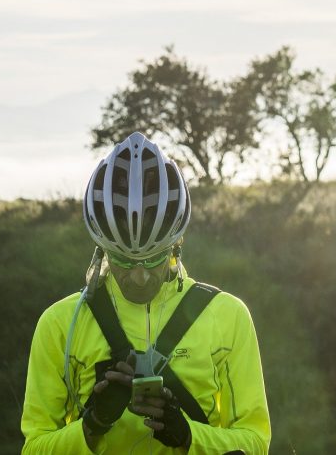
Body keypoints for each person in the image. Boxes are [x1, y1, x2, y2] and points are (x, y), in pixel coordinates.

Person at [21, 132, 271, 454]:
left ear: (176, 245)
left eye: (153, 258)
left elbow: (255, 442)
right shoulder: (58, 324)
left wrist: (188, 437)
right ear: (102, 250)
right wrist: (92, 426)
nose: (139, 277)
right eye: (123, 260)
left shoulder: (228, 315)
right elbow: (34, 448)